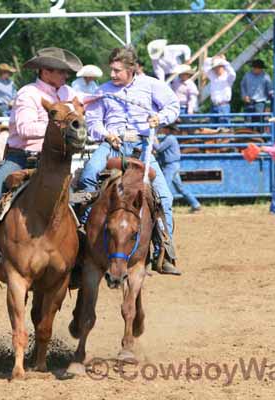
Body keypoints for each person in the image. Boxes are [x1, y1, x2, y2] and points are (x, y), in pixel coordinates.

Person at [0, 47, 83, 284]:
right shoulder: (27, 94)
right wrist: (58, 127)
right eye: (61, 72)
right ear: (45, 71)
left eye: (66, 72)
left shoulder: (69, 93)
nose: (66, 76)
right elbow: (24, 129)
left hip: (54, 162)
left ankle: (76, 259)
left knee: (74, 205)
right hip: (21, 157)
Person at [76, 46, 181, 275]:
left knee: (165, 195)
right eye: (111, 70)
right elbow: (93, 121)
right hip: (112, 145)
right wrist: (106, 133)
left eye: (117, 71)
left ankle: (163, 251)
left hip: (141, 146)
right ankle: (82, 233)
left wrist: (159, 117)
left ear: (131, 69)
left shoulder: (151, 85)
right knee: (88, 175)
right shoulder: (102, 91)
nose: (112, 75)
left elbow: (173, 106)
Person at [155, 124, 201, 213]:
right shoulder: (169, 138)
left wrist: (151, 140)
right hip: (172, 165)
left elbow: (159, 149)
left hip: (170, 166)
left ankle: (166, 207)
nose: (163, 130)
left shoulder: (170, 138)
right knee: (180, 188)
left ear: (168, 129)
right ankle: (195, 204)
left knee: (164, 187)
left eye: (164, 128)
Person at [203, 55, 236, 126]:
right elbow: (205, 65)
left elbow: (233, 73)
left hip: (223, 106)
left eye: (218, 67)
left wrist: (223, 61)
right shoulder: (213, 76)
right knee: (213, 128)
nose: (216, 69)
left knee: (224, 128)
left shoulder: (228, 77)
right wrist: (214, 58)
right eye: (215, 67)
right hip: (213, 105)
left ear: (222, 66)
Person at [240, 59, 273, 129]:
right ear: (254, 68)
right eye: (257, 68)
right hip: (248, 101)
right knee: (248, 122)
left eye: (260, 68)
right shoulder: (247, 75)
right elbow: (242, 85)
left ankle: (259, 137)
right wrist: (244, 95)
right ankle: (249, 138)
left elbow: (270, 89)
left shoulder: (266, 77)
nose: (258, 70)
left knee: (260, 122)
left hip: (260, 102)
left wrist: (270, 97)